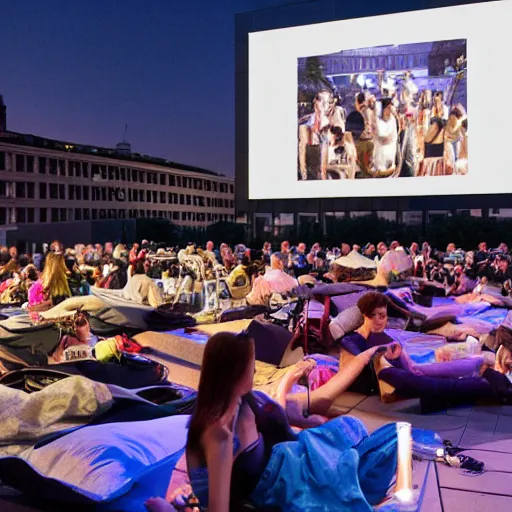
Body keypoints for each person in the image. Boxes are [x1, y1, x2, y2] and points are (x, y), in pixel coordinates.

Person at [145, 331, 402, 512]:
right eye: (250, 364)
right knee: (389, 443)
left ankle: (354, 482)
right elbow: (216, 504)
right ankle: (354, 487)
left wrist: (289, 384)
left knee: (385, 433)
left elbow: (286, 414)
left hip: (302, 457)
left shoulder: (248, 398)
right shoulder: (219, 432)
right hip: (292, 483)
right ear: (233, 371)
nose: (255, 369)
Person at [340, 292, 495, 410]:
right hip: (384, 377)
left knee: (440, 371)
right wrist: (382, 353)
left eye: (384, 316)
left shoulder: (383, 337)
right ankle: (482, 386)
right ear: (366, 316)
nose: (383, 321)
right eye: (379, 316)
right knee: (433, 385)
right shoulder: (350, 340)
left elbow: (411, 367)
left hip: (398, 372)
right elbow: (361, 365)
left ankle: (481, 376)